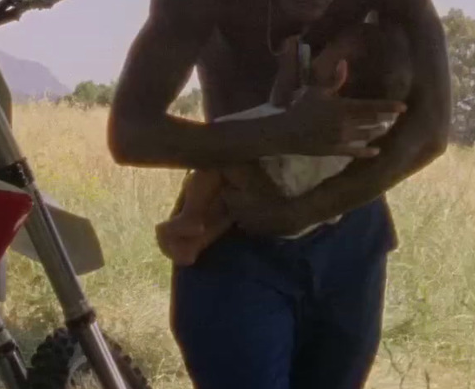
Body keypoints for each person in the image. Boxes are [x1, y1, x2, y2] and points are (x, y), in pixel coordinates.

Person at [109, 0, 452, 389]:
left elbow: (431, 129)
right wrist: (283, 133)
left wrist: (304, 210)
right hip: (235, 232)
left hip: (351, 232)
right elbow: (130, 132)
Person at [155, 22, 414, 264]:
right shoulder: (373, 123)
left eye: (327, 50)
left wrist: (289, 58)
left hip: (278, 171)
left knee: (218, 161)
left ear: (340, 72)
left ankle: (191, 218)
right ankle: (200, 239)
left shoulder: (317, 103)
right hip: (311, 200)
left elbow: (280, 99)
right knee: (233, 204)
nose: (316, 56)